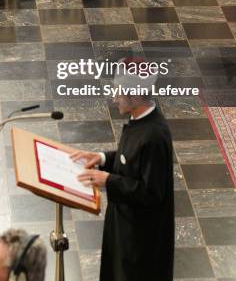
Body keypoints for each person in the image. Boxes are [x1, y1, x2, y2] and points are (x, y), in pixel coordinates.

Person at [72, 58, 174, 281]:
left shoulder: (154, 136)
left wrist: (107, 180)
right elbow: (130, 159)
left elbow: (151, 193)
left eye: (118, 91)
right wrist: (100, 158)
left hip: (140, 241)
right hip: (124, 226)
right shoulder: (138, 121)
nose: (114, 97)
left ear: (135, 96)